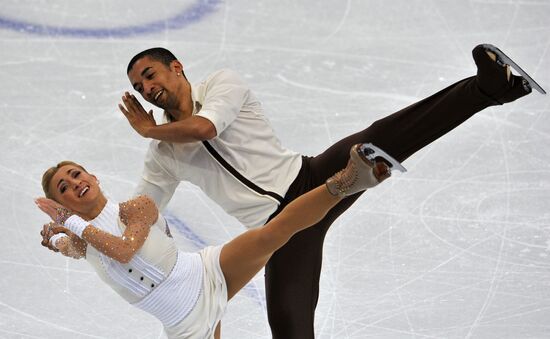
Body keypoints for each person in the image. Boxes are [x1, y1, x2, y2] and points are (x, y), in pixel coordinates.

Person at [118, 44, 543, 338]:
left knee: (380, 138)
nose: (146, 88)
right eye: (138, 87)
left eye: (149, 75)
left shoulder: (221, 86)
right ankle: (496, 88)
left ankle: (491, 87)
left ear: (177, 68)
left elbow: (205, 128)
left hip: (309, 178)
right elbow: (144, 210)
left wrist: (149, 129)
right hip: (280, 230)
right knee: (288, 324)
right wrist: (87, 229)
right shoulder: (162, 153)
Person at [36, 144, 391, 338]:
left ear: (93, 176)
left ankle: (347, 181)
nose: (74, 182)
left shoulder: (135, 209)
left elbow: (126, 250)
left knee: (273, 233)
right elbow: (75, 249)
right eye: (63, 188)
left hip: (203, 274)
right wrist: (57, 240)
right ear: (61, 203)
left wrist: (73, 226)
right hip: (182, 324)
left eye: (76, 173)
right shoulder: (84, 241)